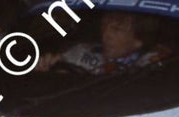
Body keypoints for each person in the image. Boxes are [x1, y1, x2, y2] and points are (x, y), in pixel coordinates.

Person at [37, 11, 167, 74]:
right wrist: (44, 69)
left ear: (138, 41)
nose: (106, 35)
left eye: (116, 30)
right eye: (104, 26)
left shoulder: (153, 65)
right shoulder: (81, 52)